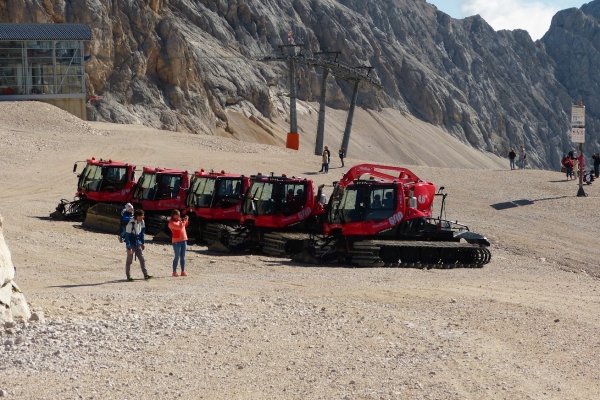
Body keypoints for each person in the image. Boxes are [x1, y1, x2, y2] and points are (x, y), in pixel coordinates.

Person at [125, 209, 153, 281]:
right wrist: (129, 247)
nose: (143, 217)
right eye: (142, 215)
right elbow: (127, 237)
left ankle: (145, 274)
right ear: (138, 216)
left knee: (142, 259)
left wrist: (143, 243)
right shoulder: (130, 224)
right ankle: (128, 276)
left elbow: (142, 234)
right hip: (131, 243)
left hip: (138, 243)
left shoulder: (142, 222)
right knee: (129, 261)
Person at [168, 210, 189, 277]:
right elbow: (179, 227)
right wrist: (184, 220)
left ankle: (183, 271)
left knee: (183, 257)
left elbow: (185, 224)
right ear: (174, 215)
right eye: (178, 215)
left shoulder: (179, 221)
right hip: (177, 241)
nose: (179, 216)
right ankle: (174, 272)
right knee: (177, 256)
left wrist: (185, 220)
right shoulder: (171, 223)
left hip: (184, 240)